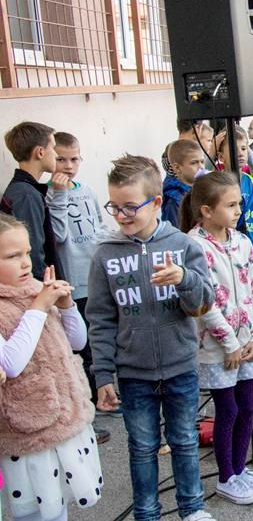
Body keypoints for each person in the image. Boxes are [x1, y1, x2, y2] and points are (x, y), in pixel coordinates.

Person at [87, 155, 216, 521]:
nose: (121, 215)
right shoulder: (105, 255)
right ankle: (146, 512)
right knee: (142, 447)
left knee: (185, 440)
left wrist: (184, 279)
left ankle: (192, 507)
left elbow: (203, 303)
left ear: (156, 202)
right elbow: (100, 318)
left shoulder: (184, 246)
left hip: (180, 367)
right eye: (114, 206)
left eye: (130, 206)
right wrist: (103, 375)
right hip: (134, 372)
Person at [179, 172, 253, 505]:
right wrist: (229, 343)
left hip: (245, 343)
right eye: (231, 205)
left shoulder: (242, 241)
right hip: (217, 347)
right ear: (206, 210)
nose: (238, 211)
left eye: (239, 204)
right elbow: (204, 302)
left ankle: (239, 468)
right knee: (228, 409)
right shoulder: (194, 245)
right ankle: (226, 477)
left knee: (248, 406)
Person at [0, 213, 102, 521]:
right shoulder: (27, 302)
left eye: (27, 252)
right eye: (12, 256)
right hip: (27, 429)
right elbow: (11, 363)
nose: (25, 263)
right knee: (34, 509)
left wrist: (67, 307)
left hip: (64, 419)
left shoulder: (36, 289)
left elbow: (77, 341)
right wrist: (39, 307)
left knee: (57, 505)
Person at [46, 132, 115, 438]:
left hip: (95, 275)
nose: (68, 165)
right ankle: (91, 401)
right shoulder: (49, 194)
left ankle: (105, 390)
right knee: (82, 344)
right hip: (74, 280)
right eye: (61, 159)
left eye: (74, 159)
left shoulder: (86, 190)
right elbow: (59, 236)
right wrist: (59, 196)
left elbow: (98, 227)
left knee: (101, 336)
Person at [215, 129, 253, 363]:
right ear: (220, 154)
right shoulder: (215, 184)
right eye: (234, 149)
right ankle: (233, 340)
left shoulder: (252, 183)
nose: (240, 153)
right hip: (225, 253)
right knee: (229, 296)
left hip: (251, 253)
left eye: (244, 148)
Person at [1, 122, 62, 280]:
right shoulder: (26, 195)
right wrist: (43, 288)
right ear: (40, 152)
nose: (56, 155)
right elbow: (33, 252)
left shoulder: (25, 191)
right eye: (53, 148)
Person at [161, 140, 205, 225]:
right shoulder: (173, 201)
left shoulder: (202, 189)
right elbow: (175, 231)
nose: (201, 167)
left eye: (202, 162)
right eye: (194, 163)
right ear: (177, 168)